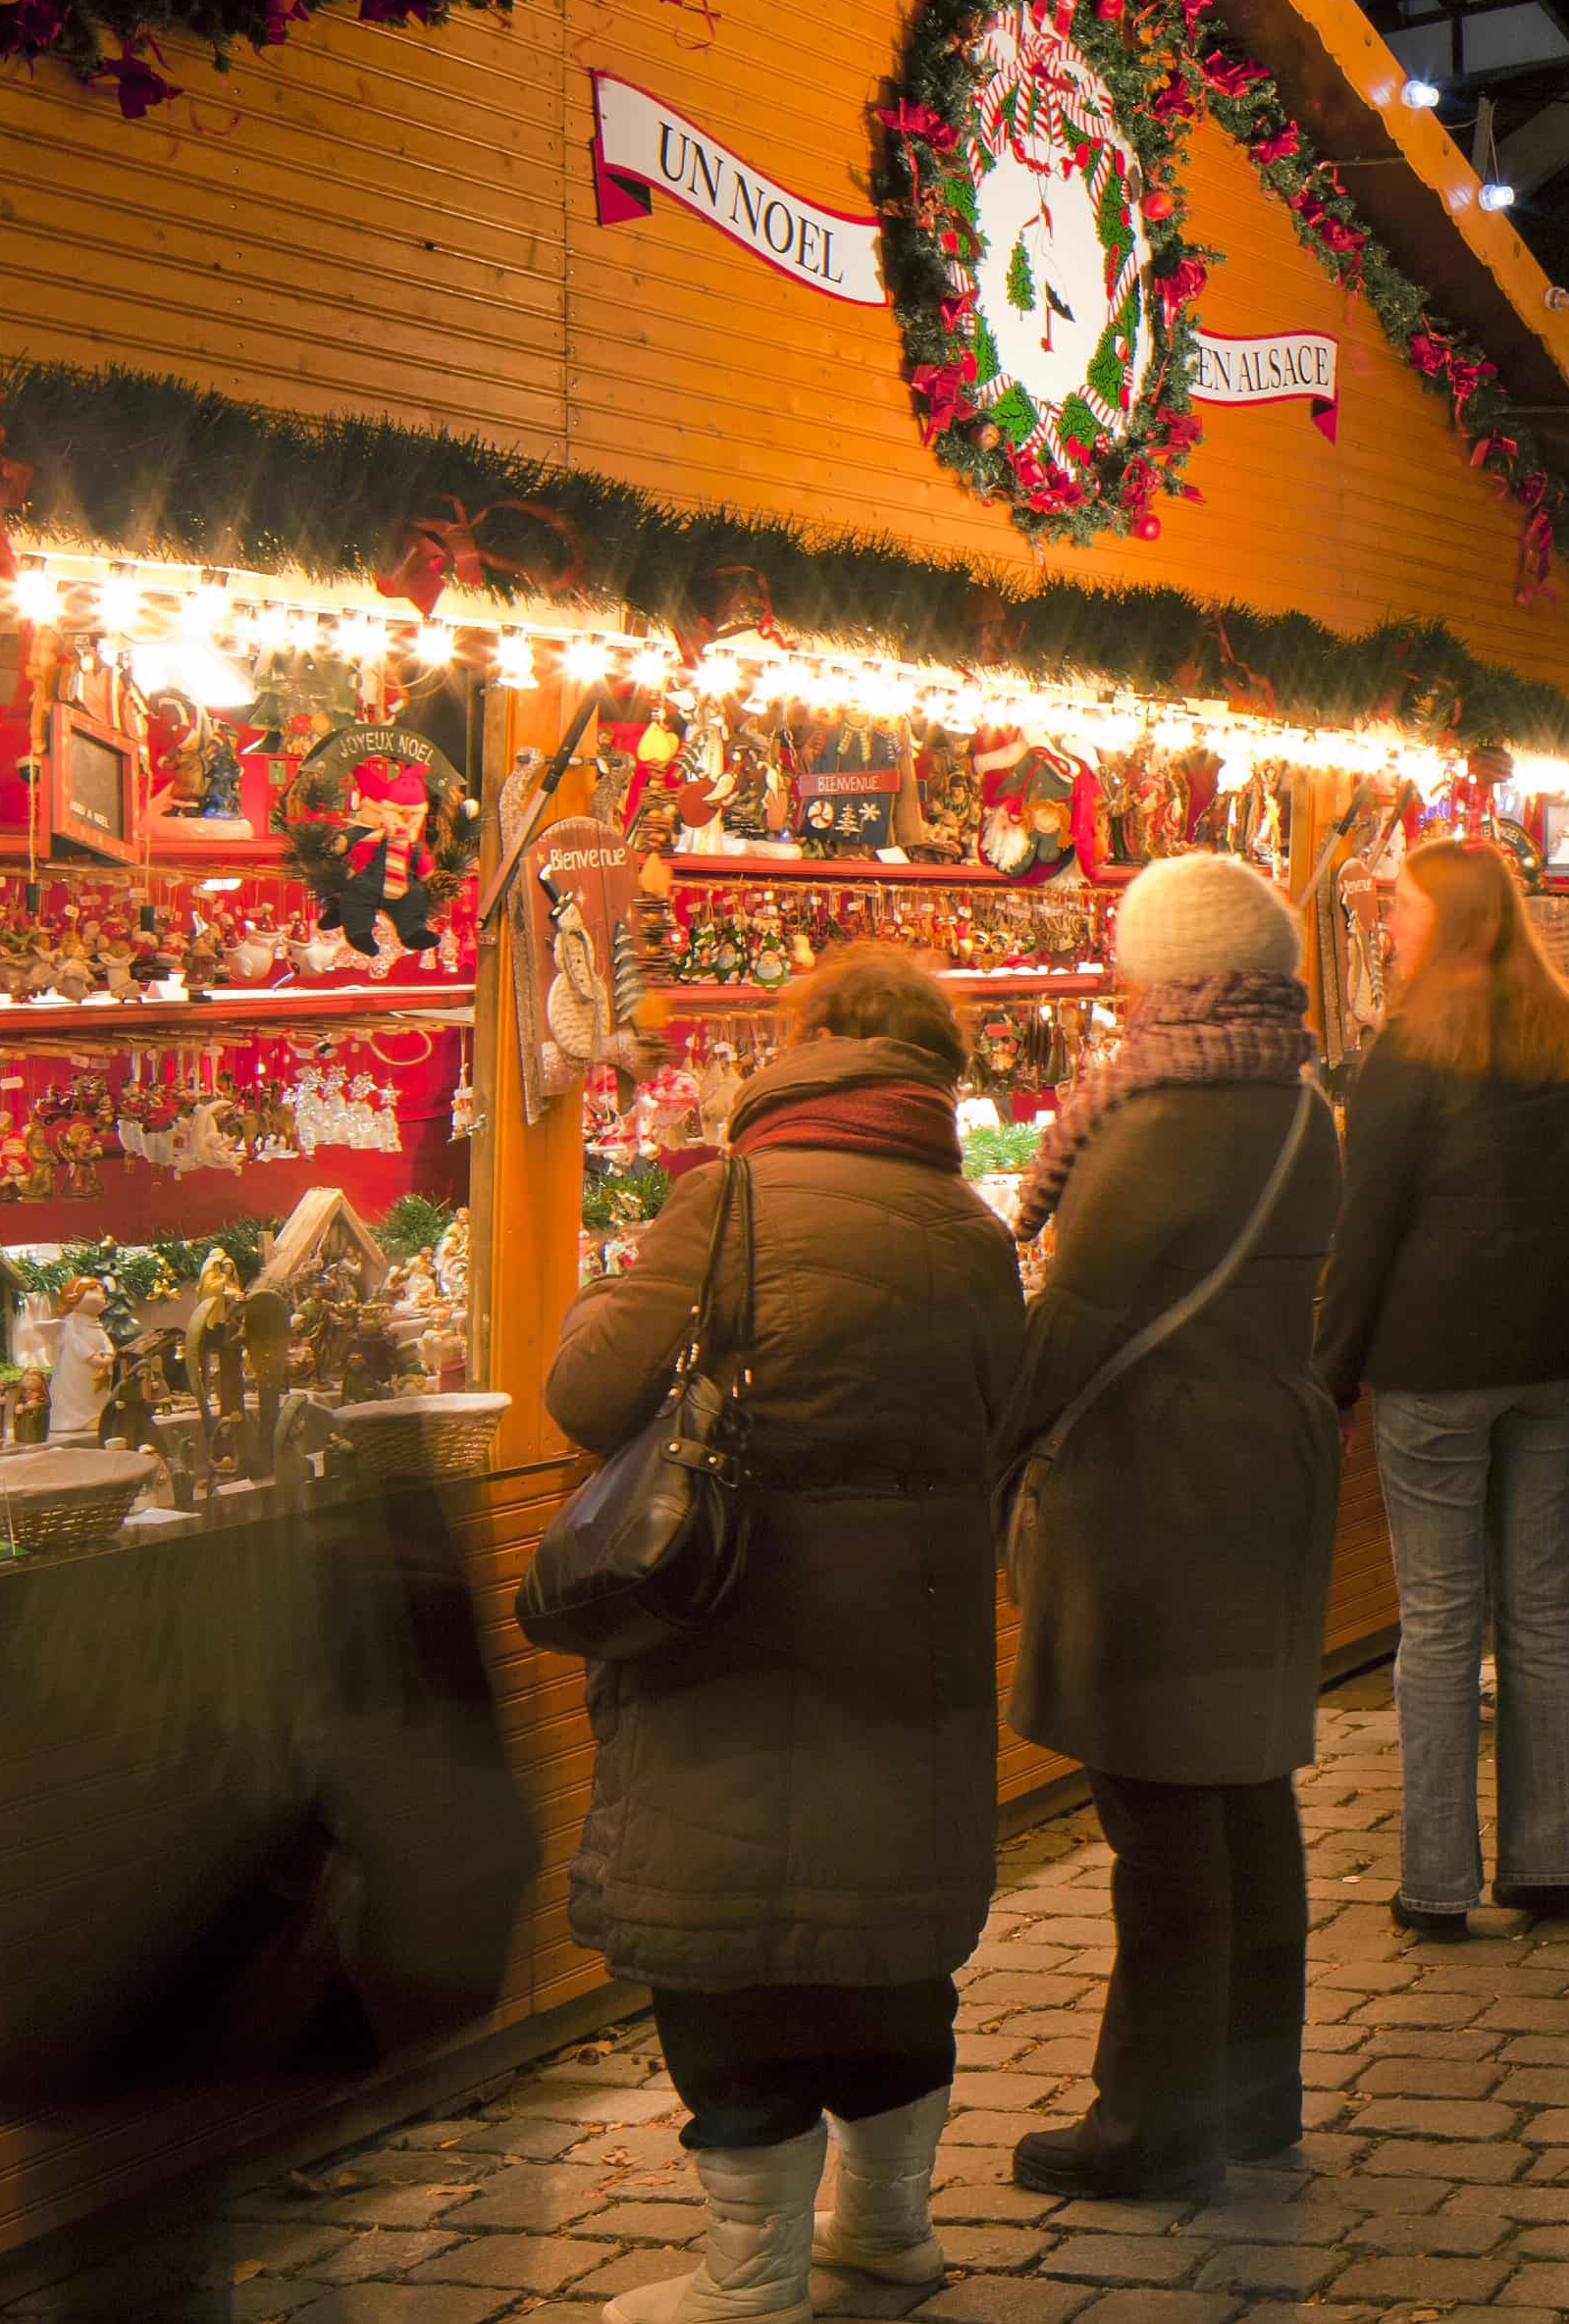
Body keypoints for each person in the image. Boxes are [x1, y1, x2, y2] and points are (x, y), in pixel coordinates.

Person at [551, 944, 1028, 2322]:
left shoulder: (726, 1202)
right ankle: (887, 2231)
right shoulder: (972, 1228)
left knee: (732, 1935)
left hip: (733, 1627)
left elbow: (593, 1392)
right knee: (889, 1932)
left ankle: (747, 2278)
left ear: (797, 1044)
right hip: (915, 1633)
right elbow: (1006, 1416)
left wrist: (597, 1300)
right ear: (934, 1072)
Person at [998, 855, 1344, 2202]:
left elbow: (1073, 1323)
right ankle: (1259, 2092)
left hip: (1165, 1484)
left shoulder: (1160, 1117)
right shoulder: (1300, 1101)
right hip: (1268, 1459)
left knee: (1159, 1808)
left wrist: (992, 1457)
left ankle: (1153, 2117)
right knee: (1244, 1788)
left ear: (1169, 967)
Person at [1317, 836, 1569, 1937]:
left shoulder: (1406, 1053)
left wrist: (1334, 1373)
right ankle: (1561, 1865)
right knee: (1544, 1607)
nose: (1388, 923)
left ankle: (1439, 1881)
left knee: (1443, 1620)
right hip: (1557, 1356)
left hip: (1436, 1360)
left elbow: (1368, 1230)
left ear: (1445, 924)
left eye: (1400, 907)